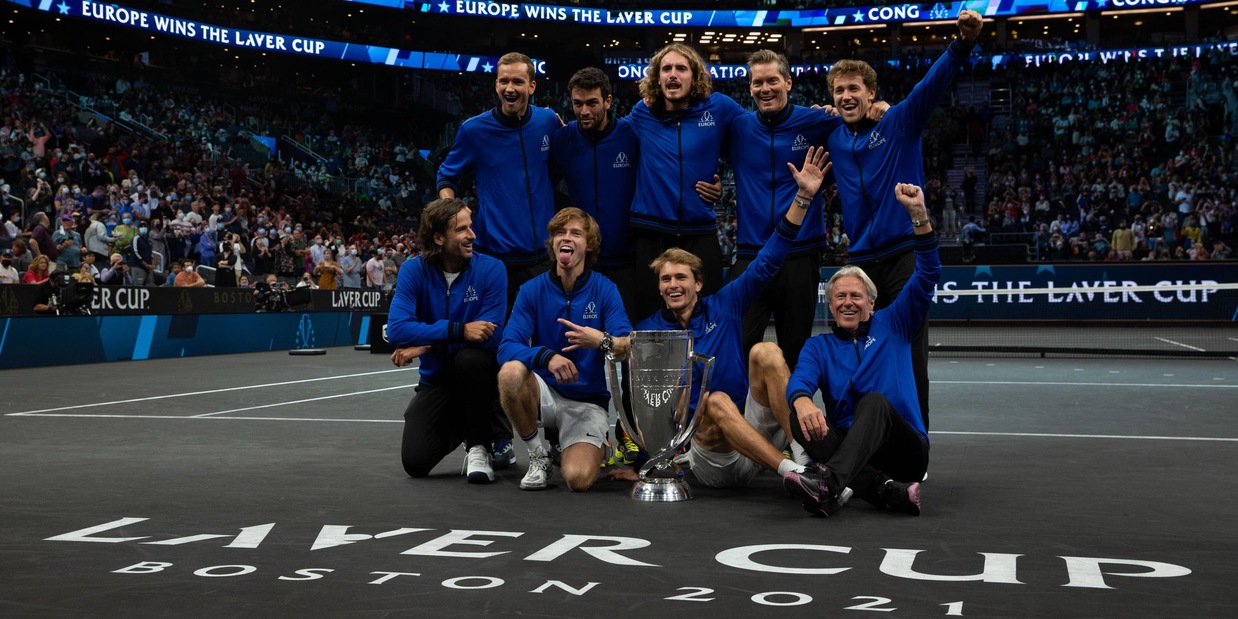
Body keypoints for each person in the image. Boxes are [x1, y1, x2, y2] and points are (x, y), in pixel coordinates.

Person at [617, 147, 832, 492]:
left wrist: (804, 196)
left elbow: (770, 257)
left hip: (750, 426)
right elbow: (651, 408)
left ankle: (808, 458)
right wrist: (653, 462)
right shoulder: (650, 331)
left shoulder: (727, 303)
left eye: (681, 277)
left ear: (698, 283)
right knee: (715, 401)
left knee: (766, 352)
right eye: (666, 280)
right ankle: (794, 474)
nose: (674, 285)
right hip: (709, 448)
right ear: (658, 288)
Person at [824, 9, 984, 432]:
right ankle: (862, 438)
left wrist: (961, 45)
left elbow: (931, 87)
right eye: (839, 91)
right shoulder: (832, 132)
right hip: (859, 261)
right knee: (859, 353)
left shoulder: (898, 122)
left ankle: (917, 443)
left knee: (910, 354)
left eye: (853, 89)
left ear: (871, 92)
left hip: (903, 257)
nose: (845, 96)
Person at [782, 183, 938, 518]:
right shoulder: (818, 346)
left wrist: (918, 216)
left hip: (905, 450)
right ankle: (885, 491)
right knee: (799, 420)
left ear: (871, 302)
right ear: (831, 304)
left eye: (856, 296)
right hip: (856, 452)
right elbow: (800, 380)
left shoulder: (894, 322)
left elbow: (927, 275)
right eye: (840, 297)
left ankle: (828, 484)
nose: (848, 302)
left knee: (875, 401)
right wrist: (802, 399)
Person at [727, 50, 885, 369]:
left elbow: (857, 122)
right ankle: (736, 417)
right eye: (758, 82)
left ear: (788, 81)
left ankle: (795, 419)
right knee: (736, 344)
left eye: (773, 80)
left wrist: (881, 108)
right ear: (750, 87)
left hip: (800, 254)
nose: (765, 88)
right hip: (750, 253)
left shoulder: (818, 121)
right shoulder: (737, 128)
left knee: (794, 349)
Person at [497, 208, 632, 492]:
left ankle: (597, 444)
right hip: (544, 393)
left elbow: (625, 345)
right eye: (560, 232)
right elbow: (507, 347)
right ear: (553, 242)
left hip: (586, 400)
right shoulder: (532, 290)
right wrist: (546, 356)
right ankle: (538, 455)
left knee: (578, 480)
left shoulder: (605, 290)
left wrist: (601, 340)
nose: (565, 238)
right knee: (510, 373)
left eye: (575, 233)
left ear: (590, 244)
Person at [386, 198, 509, 483]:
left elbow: (490, 336)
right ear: (439, 238)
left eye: (471, 227)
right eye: (462, 229)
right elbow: (397, 330)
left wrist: (426, 343)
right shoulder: (413, 270)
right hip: (438, 381)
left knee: (471, 359)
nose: (472, 235)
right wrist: (458, 331)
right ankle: (479, 424)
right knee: (415, 463)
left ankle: (480, 446)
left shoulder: (491, 270)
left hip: (482, 376)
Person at [626, 43, 746, 320]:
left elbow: (759, 129)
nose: (672, 75)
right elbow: (607, 135)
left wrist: (817, 111)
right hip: (651, 232)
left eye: (681, 68)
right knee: (649, 320)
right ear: (657, 77)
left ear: (695, 76)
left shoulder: (719, 108)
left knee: (711, 317)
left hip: (700, 232)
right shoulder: (642, 114)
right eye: (666, 68)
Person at [437, 52, 559, 309]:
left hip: (542, 258)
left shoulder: (547, 121)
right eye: (503, 81)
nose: (510, 88)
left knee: (541, 341)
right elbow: (447, 176)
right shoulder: (473, 130)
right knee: (492, 339)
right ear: (496, 85)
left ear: (532, 86)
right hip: (493, 260)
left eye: (517, 81)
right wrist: (451, 213)